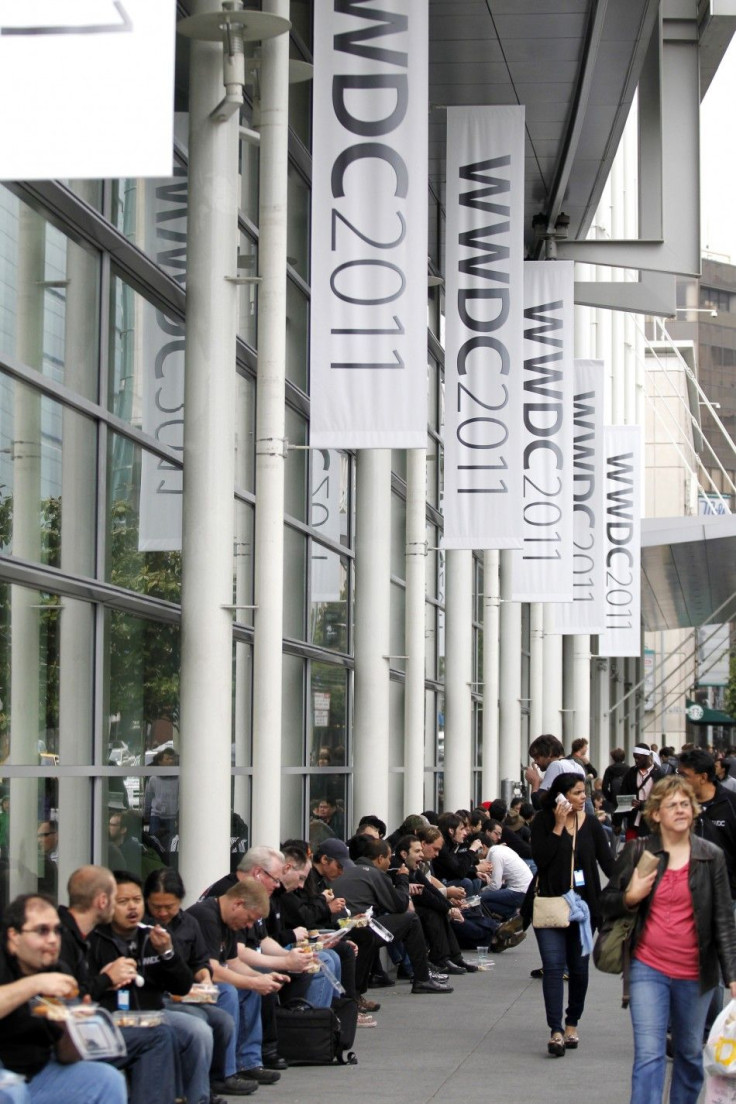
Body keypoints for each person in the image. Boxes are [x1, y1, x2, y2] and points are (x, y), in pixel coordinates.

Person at [600, 775, 736, 1104]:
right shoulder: (637, 851)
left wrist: (731, 976)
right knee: (649, 1054)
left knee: (689, 1056)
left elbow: (723, 919)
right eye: (671, 804)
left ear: (694, 811)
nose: (680, 809)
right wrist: (630, 897)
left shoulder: (710, 856)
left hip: (696, 972)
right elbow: (606, 900)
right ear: (656, 813)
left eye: (685, 804)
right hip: (648, 967)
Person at [0, 893, 127, 1104]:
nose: (52, 939)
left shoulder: (59, 970)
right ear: (14, 937)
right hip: (6, 1075)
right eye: (42, 931)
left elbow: (67, 1056)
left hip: (37, 1071)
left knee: (108, 1080)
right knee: (12, 1091)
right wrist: (35, 984)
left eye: (57, 931)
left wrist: (73, 1026)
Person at [530, 771, 615, 1057]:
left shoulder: (590, 824)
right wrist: (557, 825)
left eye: (584, 792)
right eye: (578, 792)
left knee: (578, 970)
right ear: (562, 795)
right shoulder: (542, 822)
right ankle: (555, 1031)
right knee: (553, 968)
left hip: (582, 908)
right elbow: (542, 860)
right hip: (550, 904)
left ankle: (571, 1023)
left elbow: (608, 864)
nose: (584, 798)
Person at [525, 735, 585, 809]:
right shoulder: (577, 766)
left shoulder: (555, 765)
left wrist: (535, 782)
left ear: (549, 752)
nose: (536, 762)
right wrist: (541, 781)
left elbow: (539, 803)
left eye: (537, 757)